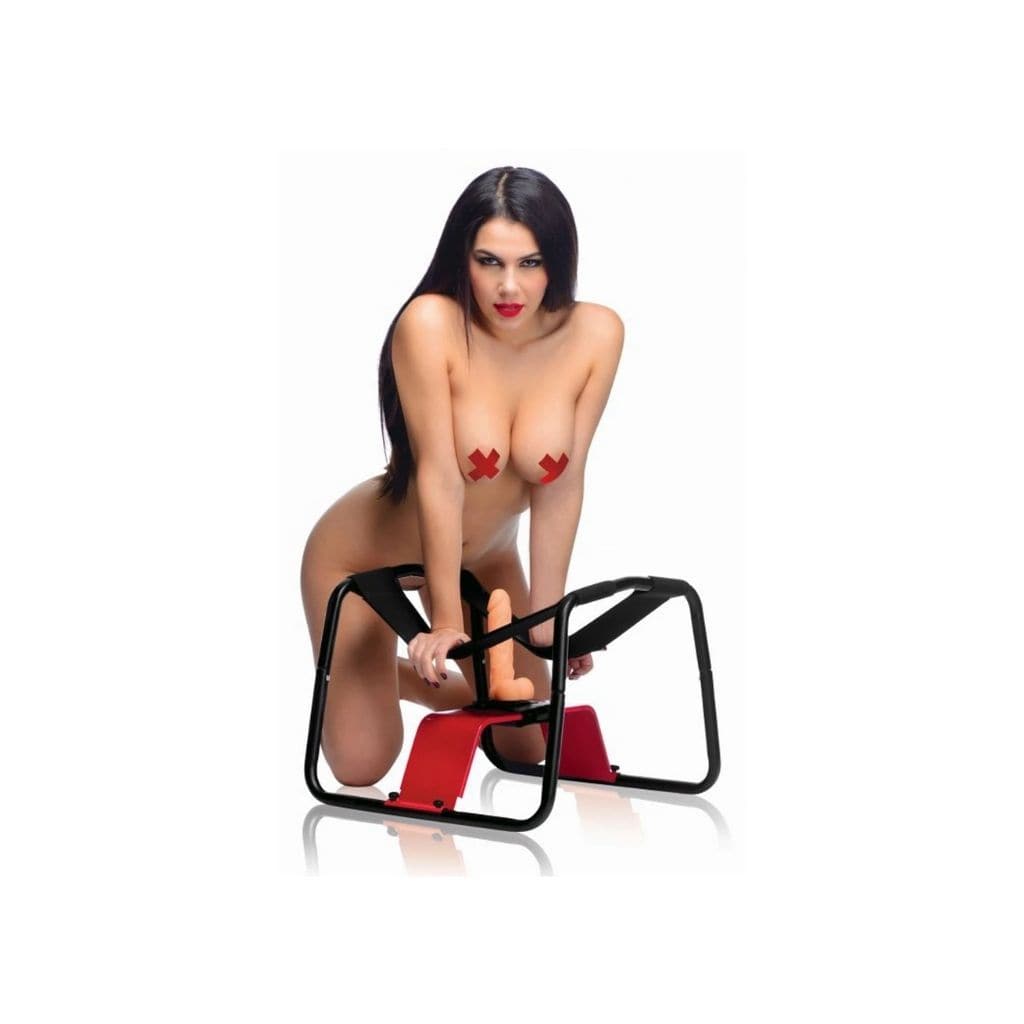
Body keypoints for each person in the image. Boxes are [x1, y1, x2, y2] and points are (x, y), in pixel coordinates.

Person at [300, 166, 624, 787]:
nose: (509, 286)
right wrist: (445, 621)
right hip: (362, 561)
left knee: (528, 741)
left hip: (488, 559)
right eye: (488, 261)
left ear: (558, 260)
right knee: (362, 765)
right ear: (463, 258)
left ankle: (409, 679)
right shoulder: (430, 324)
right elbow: (440, 480)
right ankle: (368, 673)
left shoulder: (596, 333)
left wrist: (549, 623)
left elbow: (562, 485)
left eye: (530, 263)